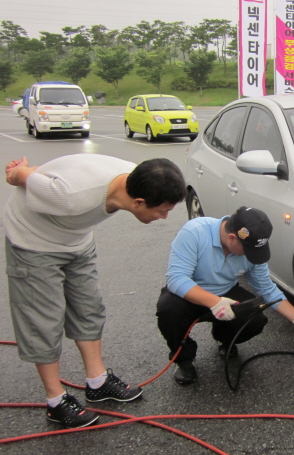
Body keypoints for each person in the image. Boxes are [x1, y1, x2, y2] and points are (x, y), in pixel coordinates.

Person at [4, 154, 187, 429]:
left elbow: (68, 169)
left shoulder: (136, 174)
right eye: (162, 211)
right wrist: (19, 171)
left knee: (89, 307)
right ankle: (55, 401)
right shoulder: (71, 197)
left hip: (76, 239)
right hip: (33, 239)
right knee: (44, 319)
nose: (165, 216)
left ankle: (97, 381)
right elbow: (21, 177)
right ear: (138, 203)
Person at [156, 206, 294, 385]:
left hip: (226, 291)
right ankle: (184, 360)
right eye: (249, 251)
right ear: (232, 238)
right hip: (190, 292)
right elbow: (177, 279)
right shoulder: (195, 232)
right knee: (168, 311)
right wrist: (215, 302)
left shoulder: (251, 247)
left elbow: (267, 288)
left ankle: (224, 338)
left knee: (254, 319)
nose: (252, 256)